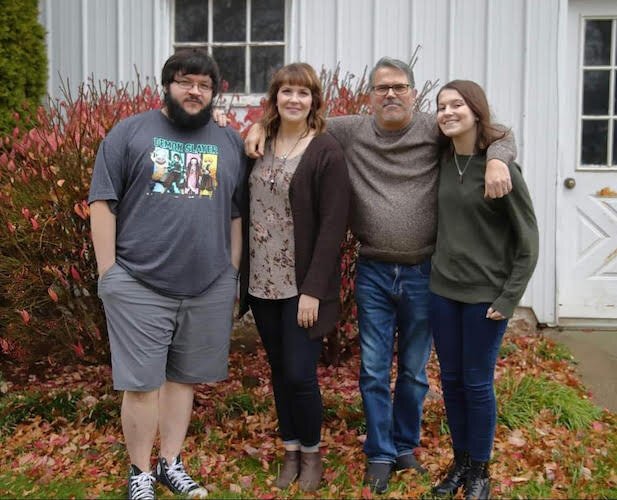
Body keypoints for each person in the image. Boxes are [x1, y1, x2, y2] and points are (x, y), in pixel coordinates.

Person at [244, 57, 516, 494]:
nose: (391, 94)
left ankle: (405, 445)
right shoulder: (351, 130)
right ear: (369, 96)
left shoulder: (433, 127)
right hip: (372, 268)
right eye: (382, 88)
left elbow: (496, 132)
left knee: (412, 370)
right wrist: (260, 126)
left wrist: (499, 160)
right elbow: (298, 115)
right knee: (372, 370)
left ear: (413, 93)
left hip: (424, 270)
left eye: (400, 87)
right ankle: (379, 452)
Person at [89, 48, 245, 500]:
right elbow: (102, 201)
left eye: (204, 85)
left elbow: (236, 213)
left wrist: (230, 272)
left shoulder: (229, 142)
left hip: (208, 285)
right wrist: (109, 275)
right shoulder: (130, 133)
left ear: (214, 93)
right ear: (168, 85)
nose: (194, 91)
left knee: (183, 380)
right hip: (138, 282)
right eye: (185, 81)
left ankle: (171, 463)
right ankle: (139, 471)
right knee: (141, 385)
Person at [237, 62, 351, 492]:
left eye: (303, 93)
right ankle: (289, 449)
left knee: (301, 374)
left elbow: (332, 228)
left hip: (300, 288)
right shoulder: (257, 146)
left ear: (314, 101)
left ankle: (312, 454)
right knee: (279, 371)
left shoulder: (325, 152)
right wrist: (252, 128)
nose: (294, 100)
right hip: (262, 283)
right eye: (286, 92)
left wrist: (313, 291)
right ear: (275, 98)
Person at [428, 80, 538, 499]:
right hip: (442, 293)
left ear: (476, 111)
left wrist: (509, 298)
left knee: (476, 384)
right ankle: (460, 462)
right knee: (452, 382)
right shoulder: (441, 160)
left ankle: (480, 471)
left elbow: (528, 240)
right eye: (441, 106)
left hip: (485, 299)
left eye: (457, 104)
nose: (448, 111)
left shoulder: (501, 169)